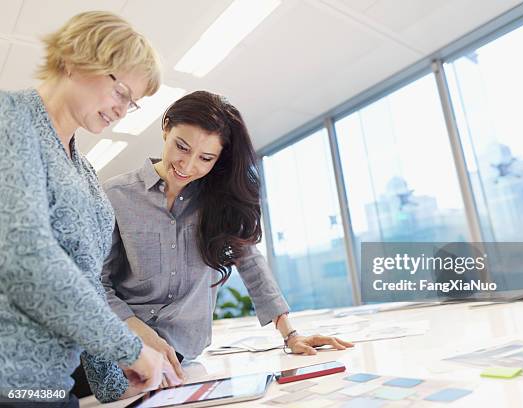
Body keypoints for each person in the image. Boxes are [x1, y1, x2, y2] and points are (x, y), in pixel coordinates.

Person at [96, 90, 354, 395]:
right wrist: (137, 332)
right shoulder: (115, 195)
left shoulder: (217, 203)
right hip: (122, 348)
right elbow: (98, 283)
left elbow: (251, 264)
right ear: (166, 127)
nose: (187, 165)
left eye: (205, 158)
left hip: (183, 359)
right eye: (181, 146)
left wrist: (291, 335)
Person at [0, 11, 181, 407]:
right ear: (74, 61)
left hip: (50, 387)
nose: (122, 108)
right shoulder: (10, 118)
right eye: (120, 92)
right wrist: (130, 348)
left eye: (132, 103)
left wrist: (113, 381)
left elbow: (86, 284)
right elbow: (26, 258)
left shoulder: (86, 175)